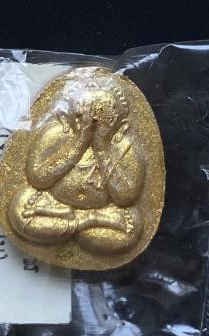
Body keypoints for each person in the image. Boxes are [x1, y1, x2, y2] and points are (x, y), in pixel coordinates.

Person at [8, 76, 145, 254]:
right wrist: (80, 142)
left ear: (122, 127)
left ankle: (82, 223)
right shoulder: (56, 134)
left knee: (132, 228)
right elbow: (37, 180)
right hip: (53, 205)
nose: (93, 125)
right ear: (65, 119)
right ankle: (85, 223)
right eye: (83, 117)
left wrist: (101, 146)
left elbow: (125, 198)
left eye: (104, 121)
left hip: (103, 211)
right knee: (20, 209)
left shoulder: (122, 146)